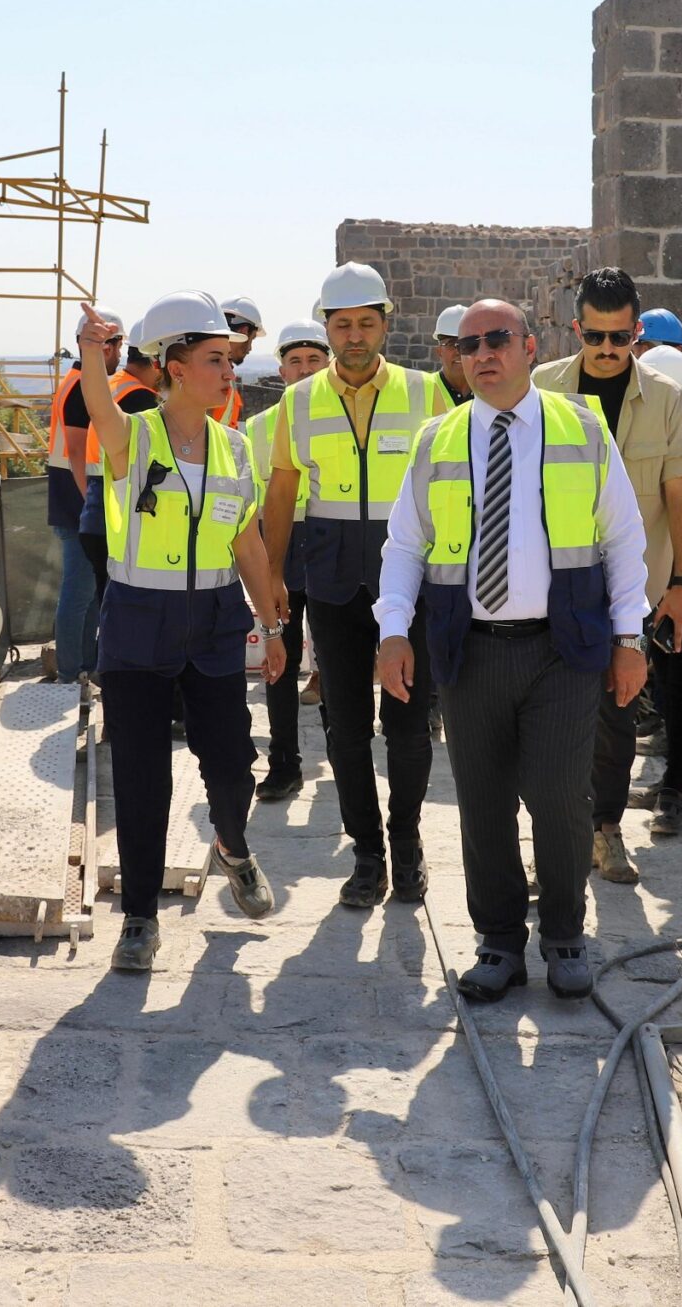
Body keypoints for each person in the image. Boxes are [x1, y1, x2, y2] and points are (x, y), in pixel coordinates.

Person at [374, 299, 648, 1001]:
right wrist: (394, 630)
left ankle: (563, 935)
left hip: (563, 649)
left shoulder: (580, 428)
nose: (484, 352)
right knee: (483, 802)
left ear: (530, 346)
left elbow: (621, 539)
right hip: (470, 652)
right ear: (459, 360)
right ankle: (499, 942)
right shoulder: (437, 439)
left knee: (560, 799)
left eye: (498, 339)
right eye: (470, 344)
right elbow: (406, 543)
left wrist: (629, 637)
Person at [73, 293, 287, 972]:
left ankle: (231, 844)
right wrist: (88, 351)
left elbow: (248, 544)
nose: (230, 371)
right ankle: (139, 917)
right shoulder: (132, 436)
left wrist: (273, 625)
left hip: (216, 624)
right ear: (173, 366)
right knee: (140, 775)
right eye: (215, 359)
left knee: (230, 766)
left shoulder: (234, 446)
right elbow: (100, 409)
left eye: (229, 358)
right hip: (139, 624)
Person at [262, 261, 448, 908]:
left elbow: (457, 487)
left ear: (386, 323)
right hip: (334, 578)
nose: (355, 336)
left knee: (407, 724)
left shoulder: (428, 394)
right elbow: (282, 492)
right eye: (342, 325)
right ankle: (366, 855)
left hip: (413, 581)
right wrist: (275, 580)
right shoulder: (299, 400)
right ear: (327, 327)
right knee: (344, 726)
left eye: (367, 323)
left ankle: (408, 846)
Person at [533, 267, 682, 883]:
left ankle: (605, 833)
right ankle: (554, 842)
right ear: (577, 328)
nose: (607, 350)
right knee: (552, 720)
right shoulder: (541, 391)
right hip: (551, 585)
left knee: (618, 714)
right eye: (595, 336)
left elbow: (680, 497)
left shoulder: (663, 399)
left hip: (632, 590)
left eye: (620, 337)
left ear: (637, 331)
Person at [244, 318, 329, 801]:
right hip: (277, 549)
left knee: (337, 660)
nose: (304, 370)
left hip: (332, 547)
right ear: (281, 370)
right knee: (280, 660)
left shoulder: (341, 421)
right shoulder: (257, 429)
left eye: (314, 360)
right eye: (295, 362)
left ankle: (341, 755)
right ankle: (285, 762)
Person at [66, 329, 162, 683]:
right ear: (157, 363)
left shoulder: (116, 386)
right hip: (118, 522)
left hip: (97, 513)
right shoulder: (140, 400)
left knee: (113, 612)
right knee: (129, 618)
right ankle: (120, 697)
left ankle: (113, 695)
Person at [44, 326, 122, 684]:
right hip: (77, 502)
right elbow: (77, 451)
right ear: (105, 347)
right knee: (78, 594)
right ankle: (70, 670)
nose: (120, 355)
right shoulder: (80, 385)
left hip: (73, 499)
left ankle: (87, 666)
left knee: (88, 594)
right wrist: (93, 502)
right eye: (119, 345)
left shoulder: (76, 380)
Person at [217, 295, 264, 427]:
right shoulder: (214, 374)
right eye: (252, 339)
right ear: (244, 331)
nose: (250, 348)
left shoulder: (223, 374)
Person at [433, 303, 473, 405]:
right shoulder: (425, 390)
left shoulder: (490, 394)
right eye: (451, 344)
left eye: (466, 343)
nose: (459, 351)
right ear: (439, 351)